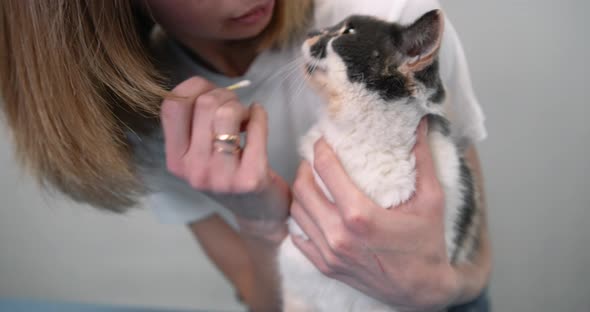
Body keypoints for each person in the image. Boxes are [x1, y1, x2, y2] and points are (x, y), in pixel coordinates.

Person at [0, 0, 491, 311]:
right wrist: (259, 223)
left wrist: (442, 289)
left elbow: (473, 245)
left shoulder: (391, 22)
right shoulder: (152, 110)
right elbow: (266, 302)